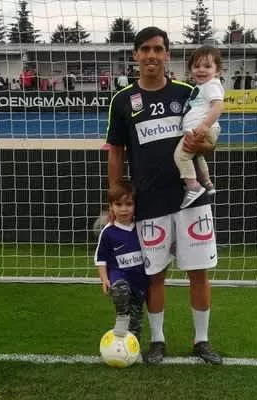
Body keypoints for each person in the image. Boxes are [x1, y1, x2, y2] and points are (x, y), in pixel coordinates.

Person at [107, 26, 221, 364]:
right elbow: (116, 152)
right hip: (149, 202)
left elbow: (209, 144)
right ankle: (157, 341)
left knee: (198, 272)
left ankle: (202, 340)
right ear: (135, 55)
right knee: (155, 275)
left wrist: (205, 143)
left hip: (191, 200)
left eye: (158, 49)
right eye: (145, 49)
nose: (151, 55)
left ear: (167, 55)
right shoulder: (123, 100)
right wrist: (115, 198)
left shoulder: (189, 92)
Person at [94, 180, 148, 342]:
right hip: (119, 275)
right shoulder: (108, 232)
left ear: (135, 205)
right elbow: (100, 259)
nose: (124, 209)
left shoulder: (141, 227)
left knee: (136, 321)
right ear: (111, 207)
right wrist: (104, 279)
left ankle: (132, 346)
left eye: (129, 204)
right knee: (120, 289)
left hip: (139, 279)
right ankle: (122, 316)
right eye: (118, 204)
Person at [174, 46, 224, 208]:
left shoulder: (211, 85)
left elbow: (218, 106)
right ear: (190, 70)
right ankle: (207, 183)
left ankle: (193, 186)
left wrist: (204, 125)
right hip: (199, 129)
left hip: (201, 130)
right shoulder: (200, 87)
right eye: (196, 66)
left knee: (181, 156)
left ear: (217, 71)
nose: (201, 70)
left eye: (207, 66)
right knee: (198, 156)